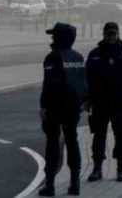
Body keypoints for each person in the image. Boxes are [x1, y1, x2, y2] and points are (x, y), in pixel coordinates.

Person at [86, 21, 122, 183]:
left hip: (121, 103)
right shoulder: (95, 54)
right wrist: (87, 100)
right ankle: (97, 168)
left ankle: (121, 168)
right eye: (108, 34)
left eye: (114, 34)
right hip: (100, 103)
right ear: (103, 34)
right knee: (98, 137)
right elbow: (87, 79)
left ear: (118, 34)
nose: (111, 37)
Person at [39, 22, 88, 197]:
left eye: (54, 35)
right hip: (74, 107)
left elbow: (49, 85)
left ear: (59, 37)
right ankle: (75, 184)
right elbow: (84, 82)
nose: (51, 37)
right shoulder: (78, 57)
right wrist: (83, 101)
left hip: (55, 107)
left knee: (52, 144)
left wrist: (44, 107)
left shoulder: (52, 58)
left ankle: (50, 185)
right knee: (72, 142)